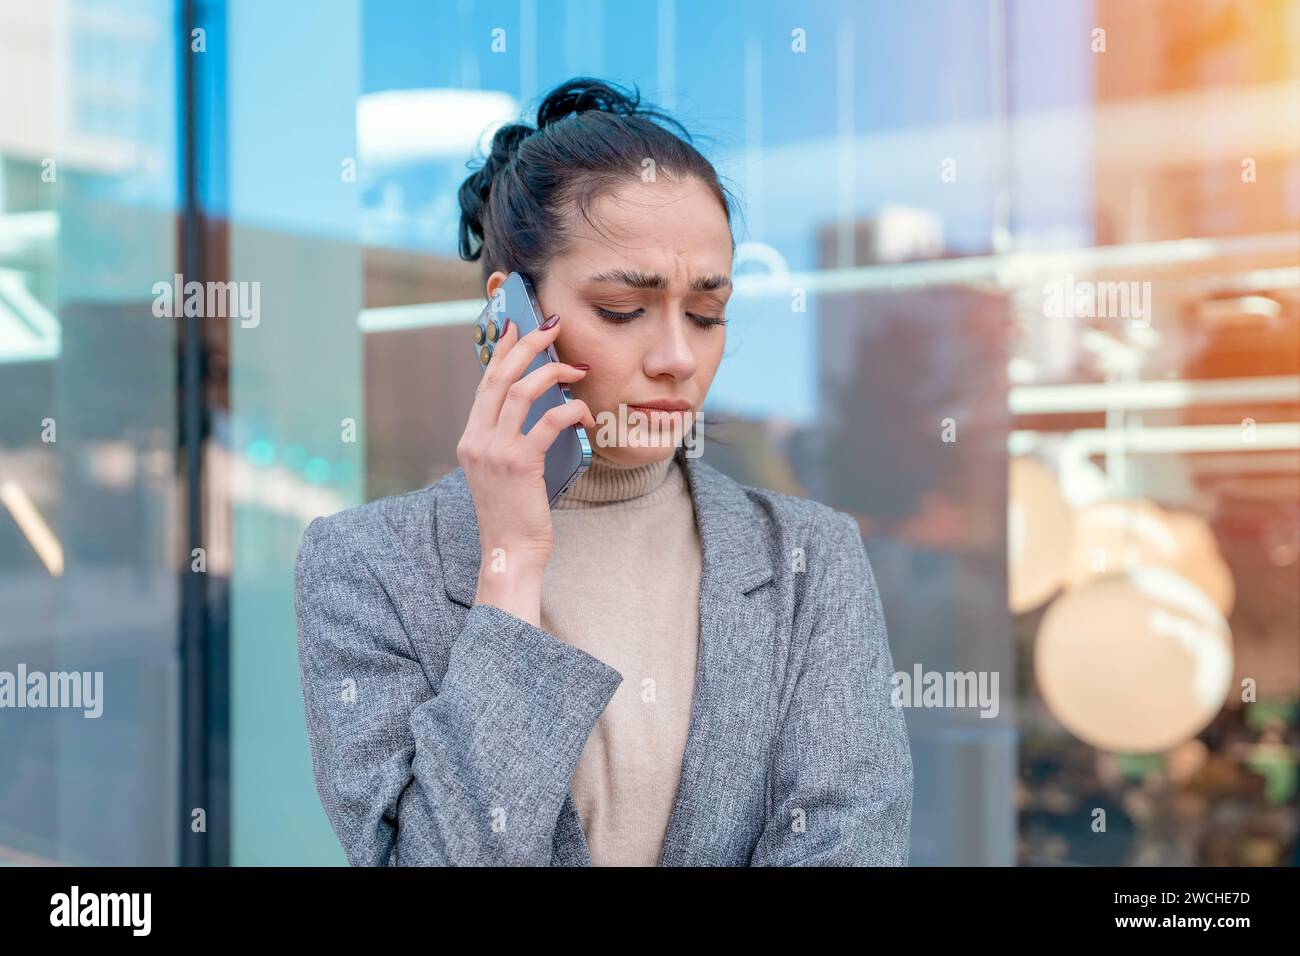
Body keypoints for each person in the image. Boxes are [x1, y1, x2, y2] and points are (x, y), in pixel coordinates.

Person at [294, 76, 912, 866]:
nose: (677, 358)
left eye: (707, 314)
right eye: (623, 310)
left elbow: (847, 849)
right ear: (507, 316)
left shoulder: (809, 560)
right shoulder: (366, 565)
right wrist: (510, 565)